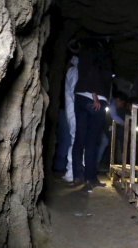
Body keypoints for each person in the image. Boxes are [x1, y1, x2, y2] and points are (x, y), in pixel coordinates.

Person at [72, 39, 113, 191]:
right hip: (95, 100)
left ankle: (78, 176)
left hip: (80, 98)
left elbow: (86, 72)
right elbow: (93, 73)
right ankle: (90, 178)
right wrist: (95, 96)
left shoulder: (84, 55)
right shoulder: (98, 57)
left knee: (79, 138)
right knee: (92, 142)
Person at [62, 55, 79, 183]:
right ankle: (71, 173)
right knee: (76, 140)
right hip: (75, 111)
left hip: (72, 110)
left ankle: (73, 172)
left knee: (76, 140)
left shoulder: (72, 71)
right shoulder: (74, 71)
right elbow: (74, 92)